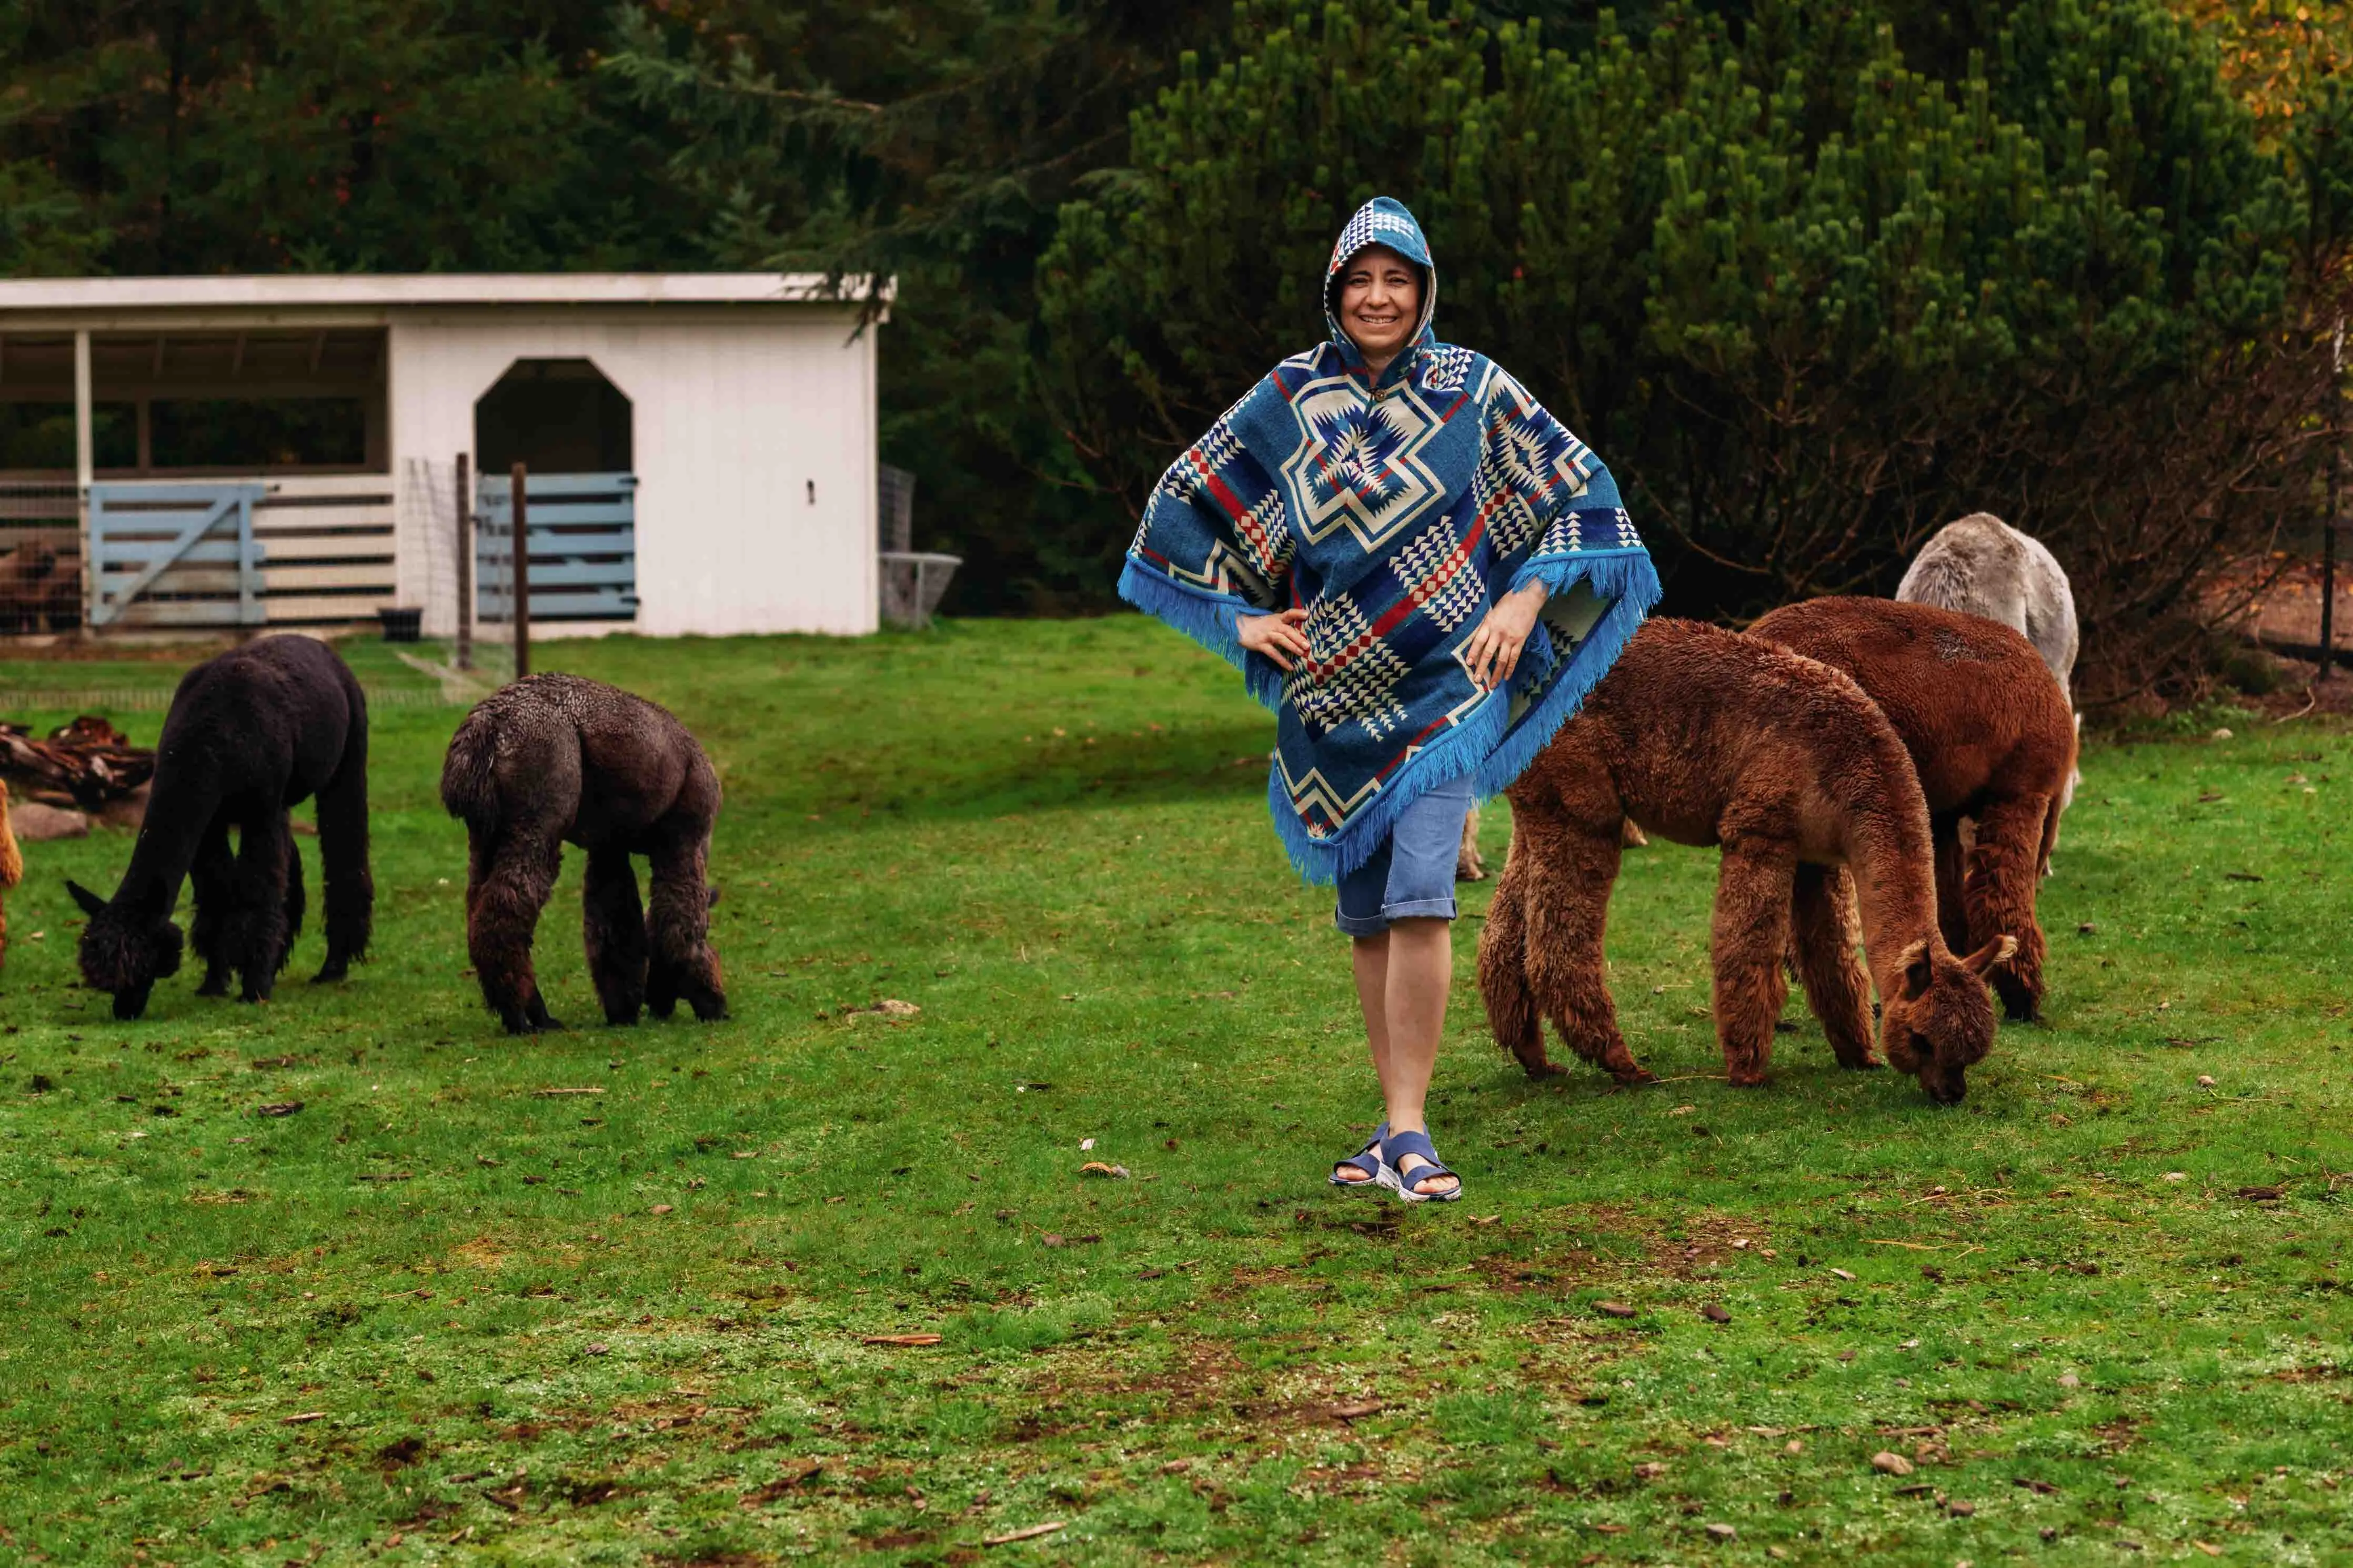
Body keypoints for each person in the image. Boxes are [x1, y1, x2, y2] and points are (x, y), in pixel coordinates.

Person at [1120, 197, 1660, 1202]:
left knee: (1422, 895)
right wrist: (1236, 620)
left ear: (1423, 291)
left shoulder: (1475, 391)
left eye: (1396, 280)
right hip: (1328, 698)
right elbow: (1183, 502)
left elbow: (1580, 490)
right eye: (1360, 281)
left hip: (1448, 690)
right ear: (1337, 293)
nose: (1378, 297)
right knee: (1368, 915)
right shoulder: (1290, 396)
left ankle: (1413, 1131)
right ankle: (1389, 1122)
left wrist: (1524, 596)